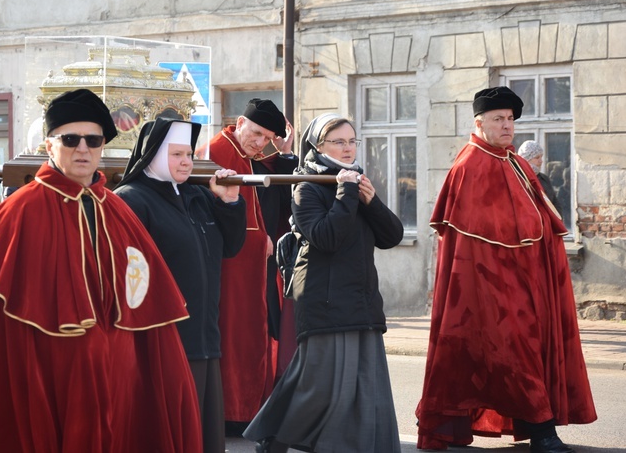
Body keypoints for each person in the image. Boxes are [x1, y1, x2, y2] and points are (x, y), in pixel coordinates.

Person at [0, 89, 202, 453]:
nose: (83, 149)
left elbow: (148, 306)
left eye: (93, 140)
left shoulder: (118, 209)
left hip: (117, 379)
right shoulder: (19, 212)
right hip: (48, 379)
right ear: (50, 146)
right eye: (70, 139)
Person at [415, 86, 597, 453]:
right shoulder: (468, 165)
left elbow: (539, 223)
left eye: (511, 119)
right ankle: (542, 432)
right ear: (479, 122)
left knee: (526, 352)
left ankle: (533, 427)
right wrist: (496, 291)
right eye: (499, 119)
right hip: (490, 290)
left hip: (530, 284)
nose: (507, 125)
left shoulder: (513, 160)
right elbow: (468, 250)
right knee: (512, 353)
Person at [244, 113, 405, 453]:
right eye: (338, 142)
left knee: (361, 386)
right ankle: (275, 438)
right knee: (317, 385)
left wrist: (370, 200)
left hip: (361, 299)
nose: (347, 149)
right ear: (318, 147)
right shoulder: (307, 186)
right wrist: (347, 193)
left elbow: (392, 236)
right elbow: (326, 238)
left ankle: (278, 440)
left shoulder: (356, 182)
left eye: (351, 141)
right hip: (324, 300)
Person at [114, 113, 247, 453]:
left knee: (202, 438)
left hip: (204, 337)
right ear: (155, 154)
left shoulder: (197, 196)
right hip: (163, 341)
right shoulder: (131, 199)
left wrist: (230, 203)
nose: (186, 161)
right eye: (176, 155)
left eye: (188, 154)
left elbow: (230, 248)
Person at [195, 98, 297, 430]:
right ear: (239, 123)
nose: (258, 142)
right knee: (234, 337)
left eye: (265, 138)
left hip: (251, 265)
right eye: (255, 133)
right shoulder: (215, 152)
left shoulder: (247, 155)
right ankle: (232, 412)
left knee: (253, 336)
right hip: (229, 265)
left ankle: (249, 409)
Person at [518, 140, 562, 216]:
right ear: (526, 159)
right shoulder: (517, 178)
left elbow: (554, 203)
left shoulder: (544, 179)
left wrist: (557, 221)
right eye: (537, 157)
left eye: (541, 157)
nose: (541, 161)